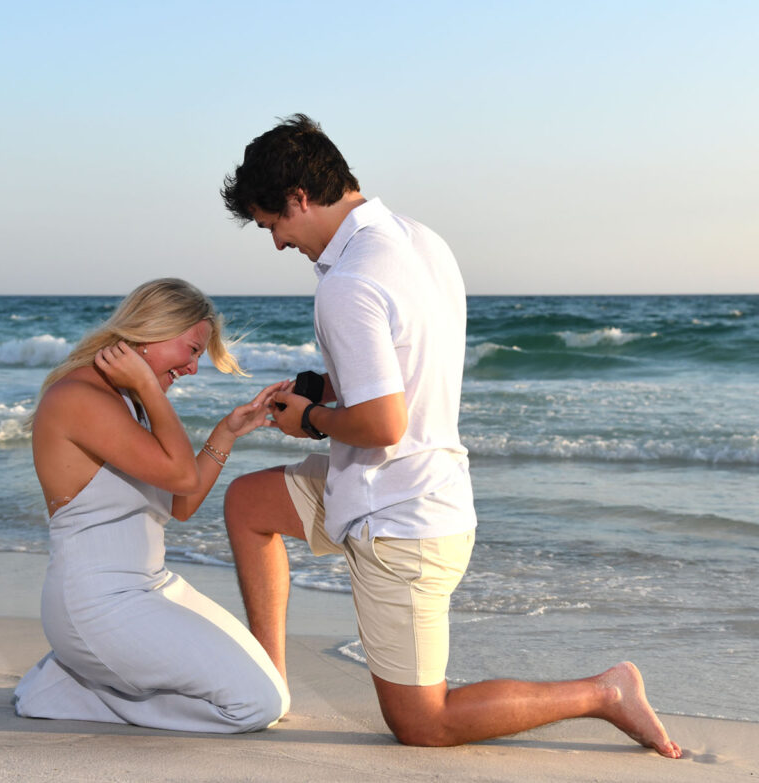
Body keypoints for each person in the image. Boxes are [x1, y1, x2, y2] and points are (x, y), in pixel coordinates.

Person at [219, 114, 681, 757]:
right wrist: (327, 389)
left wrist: (311, 420)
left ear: (298, 197)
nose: (277, 243)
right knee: (247, 504)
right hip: (400, 484)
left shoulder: (347, 283)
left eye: (274, 225)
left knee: (422, 723)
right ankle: (268, 689)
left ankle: (605, 692)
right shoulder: (420, 241)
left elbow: (383, 425)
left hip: (403, 522)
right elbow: (409, 367)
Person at [13, 278, 290, 733]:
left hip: (152, 588)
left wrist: (226, 431)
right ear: (152, 331)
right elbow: (181, 475)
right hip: (95, 605)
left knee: (275, 694)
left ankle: (84, 680)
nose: (195, 367)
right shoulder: (81, 398)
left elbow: (180, 503)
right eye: (193, 349)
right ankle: (68, 690)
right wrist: (148, 386)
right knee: (253, 707)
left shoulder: (130, 403)